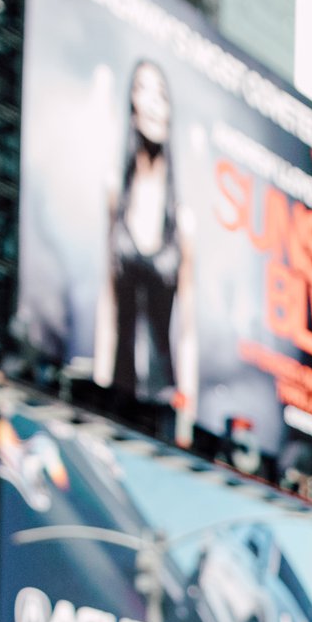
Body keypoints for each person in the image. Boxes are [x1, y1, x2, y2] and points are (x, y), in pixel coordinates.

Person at [93, 56, 198, 420]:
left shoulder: (183, 221)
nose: (152, 102)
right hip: (113, 401)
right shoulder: (115, 196)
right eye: (142, 90)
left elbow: (187, 331)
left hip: (163, 405)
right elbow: (107, 303)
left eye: (161, 94)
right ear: (132, 107)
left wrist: (188, 420)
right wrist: (98, 385)